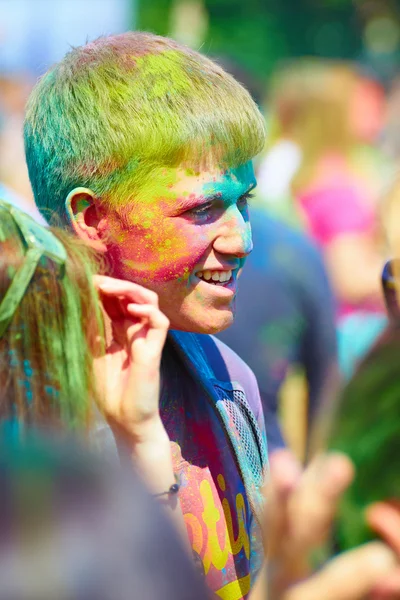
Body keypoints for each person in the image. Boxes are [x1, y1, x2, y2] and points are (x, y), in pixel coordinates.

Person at [22, 32, 400, 599]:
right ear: (92, 217)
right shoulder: (27, 414)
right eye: (203, 208)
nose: (243, 238)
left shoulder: (227, 378)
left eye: (243, 202)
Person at [217, 209, 338, 454]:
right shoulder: (300, 252)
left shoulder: (297, 254)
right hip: (263, 461)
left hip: (260, 460)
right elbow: (326, 379)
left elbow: (325, 378)